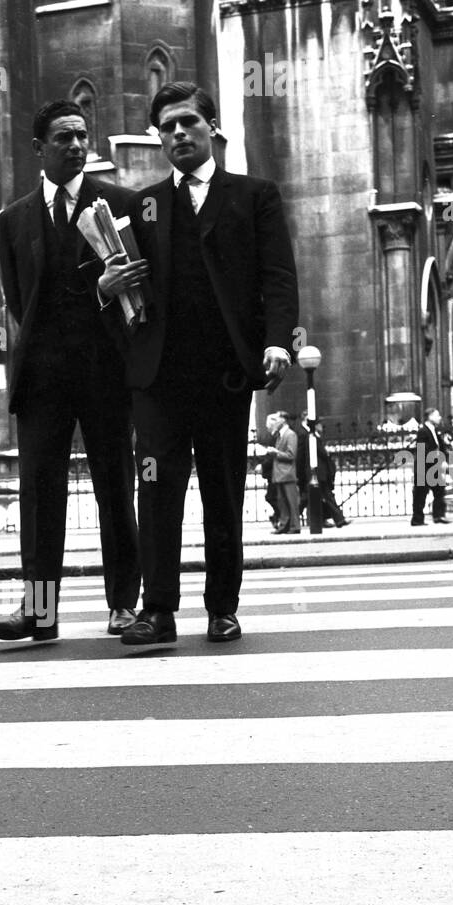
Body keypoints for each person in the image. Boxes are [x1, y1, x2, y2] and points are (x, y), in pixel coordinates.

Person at [98, 81, 299, 645]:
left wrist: (279, 341)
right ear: (158, 138)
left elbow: (278, 277)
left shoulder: (255, 195)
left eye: (188, 122)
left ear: (211, 128)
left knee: (222, 491)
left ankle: (222, 609)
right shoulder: (141, 205)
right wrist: (104, 288)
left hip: (225, 375)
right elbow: (122, 287)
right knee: (156, 491)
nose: (178, 133)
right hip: (159, 381)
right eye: (167, 127)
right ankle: (157, 609)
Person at [0, 99, 140, 642]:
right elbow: (22, 300)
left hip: (105, 371)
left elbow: (134, 288)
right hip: (42, 375)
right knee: (39, 493)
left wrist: (98, 299)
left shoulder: (120, 203)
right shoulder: (14, 219)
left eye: (82, 136)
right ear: (38, 149)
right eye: (63, 139)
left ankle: (123, 604)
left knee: (115, 488)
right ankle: (40, 612)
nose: (77, 146)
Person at [294, 414, 349, 528]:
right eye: (319, 424)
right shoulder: (312, 437)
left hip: (317, 473)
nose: (321, 426)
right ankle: (338, 519)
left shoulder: (314, 436)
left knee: (310, 497)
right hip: (317, 473)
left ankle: (328, 519)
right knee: (326, 496)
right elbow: (321, 454)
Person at [258, 410, 300, 534]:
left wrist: (276, 452)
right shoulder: (279, 436)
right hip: (280, 474)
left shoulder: (290, 435)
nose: (274, 423)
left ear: (283, 421)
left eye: (276, 420)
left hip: (287, 474)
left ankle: (294, 526)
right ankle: (284, 525)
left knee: (291, 502)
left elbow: (291, 455)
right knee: (282, 502)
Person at [410, 407, 453, 526]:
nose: (440, 418)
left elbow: (440, 447)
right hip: (424, 468)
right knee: (420, 495)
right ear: (430, 417)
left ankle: (438, 516)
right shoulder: (423, 431)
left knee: (439, 492)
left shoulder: (434, 430)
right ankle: (417, 519)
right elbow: (424, 451)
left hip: (434, 468)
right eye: (437, 415)